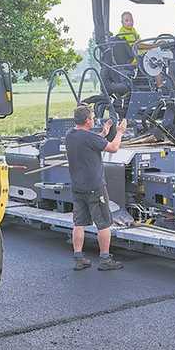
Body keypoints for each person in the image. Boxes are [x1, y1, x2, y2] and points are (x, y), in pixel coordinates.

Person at [65, 104, 128, 271]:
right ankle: (105, 259)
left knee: (78, 223)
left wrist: (103, 134)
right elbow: (113, 148)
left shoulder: (70, 135)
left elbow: (90, 141)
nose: (94, 120)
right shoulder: (89, 138)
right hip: (95, 187)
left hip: (77, 187)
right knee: (104, 224)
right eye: (92, 118)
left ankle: (79, 258)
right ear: (87, 121)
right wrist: (120, 132)